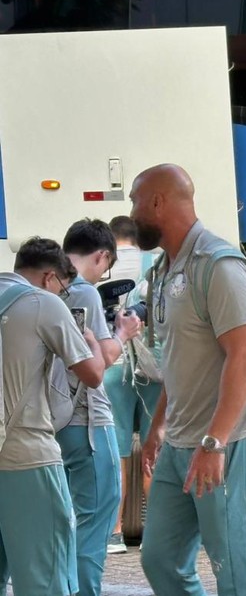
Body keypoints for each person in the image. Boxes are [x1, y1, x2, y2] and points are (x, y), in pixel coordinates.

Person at [132, 164, 246, 596]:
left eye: (135, 201)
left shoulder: (219, 264)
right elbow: (178, 358)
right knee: (160, 559)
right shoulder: (164, 269)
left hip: (230, 440)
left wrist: (215, 442)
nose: (131, 213)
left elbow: (245, 354)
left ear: (157, 202)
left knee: (237, 572)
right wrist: (159, 425)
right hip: (180, 440)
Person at [0, 238, 107, 596]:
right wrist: (93, 342)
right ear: (49, 277)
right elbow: (93, 374)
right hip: (27, 456)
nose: (63, 295)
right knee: (45, 576)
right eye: (63, 288)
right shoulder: (43, 303)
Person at [60, 219, 144, 596]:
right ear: (101, 256)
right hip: (88, 420)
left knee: (64, 518)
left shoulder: (44, 290)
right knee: (97, 513)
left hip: (51, 420)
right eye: (106, 266)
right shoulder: (85, 293)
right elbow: (100, 361)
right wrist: (122, 332)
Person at [103, 215, 163, 554]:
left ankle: (114, 533)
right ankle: (156, 530)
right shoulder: (155, 264)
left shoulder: (105, 265)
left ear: (111, 240)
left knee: (118, 450)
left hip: (114, 367)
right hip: (153, 368)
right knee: (155, 447)